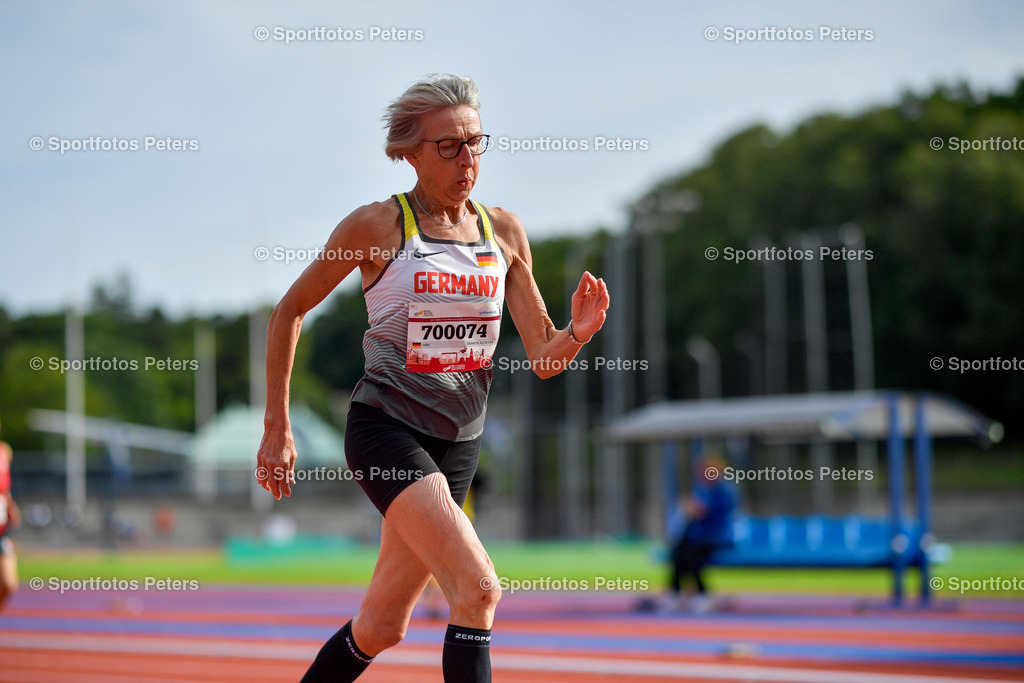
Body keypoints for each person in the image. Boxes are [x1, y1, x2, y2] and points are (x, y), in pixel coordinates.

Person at [255, 74, 609, 683]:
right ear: (409, 152)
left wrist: (577, 331)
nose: (467, 158)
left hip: (459, 444)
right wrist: (277, 427)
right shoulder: (376, 227)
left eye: (475, 142)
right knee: (477, 590)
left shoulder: (504, 233)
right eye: (449, 145)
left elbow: (545, 358)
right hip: (386, 431)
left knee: (381, 626)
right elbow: (289, 312)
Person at [666, 456, 736, 612]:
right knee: (679, 552)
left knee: (692, 554)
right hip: (699, 538)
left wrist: (691, 508)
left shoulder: (722, 491)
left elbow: (701, 511)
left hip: (716, 537)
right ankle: (676, 593)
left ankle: (702, 594)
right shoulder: (702, 489)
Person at [0, 423, 21, 613]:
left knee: (10, 583)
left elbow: (5, 489)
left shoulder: (4, 451)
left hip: (2, 528)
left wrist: (11, 507)